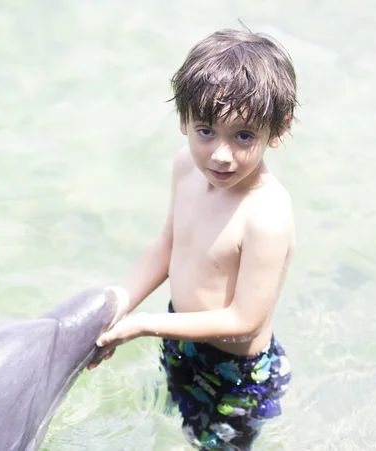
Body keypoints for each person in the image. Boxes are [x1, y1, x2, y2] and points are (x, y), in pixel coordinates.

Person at [88, 28, 297, 450]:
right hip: (182, 341)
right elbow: (166, 247)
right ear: (183, 119)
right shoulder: (186, 167)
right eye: (206, 131)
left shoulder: (266, 214)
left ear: (277, 130)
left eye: (243, 136)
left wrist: (145, 326)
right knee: (184, 429)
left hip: (238, 375)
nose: (221, 154)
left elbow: (244, 320)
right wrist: (121, 304)